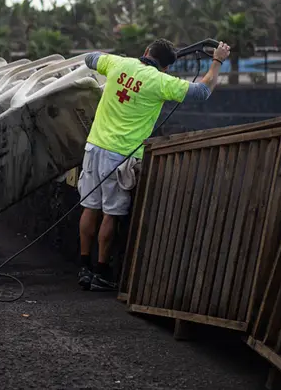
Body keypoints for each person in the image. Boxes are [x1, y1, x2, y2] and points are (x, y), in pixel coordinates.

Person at [77, 38, 231, 291]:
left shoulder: (118, 64)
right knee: (111, 214)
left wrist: (121, 62)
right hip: (121, 155)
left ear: (146, 51)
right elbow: (202, 91)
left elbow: (90, 58)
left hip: (94, 147)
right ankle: (101, 272)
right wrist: (217, 61)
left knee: (89, 207)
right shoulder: (160, 82)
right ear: (167, 67)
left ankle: (83, 267)